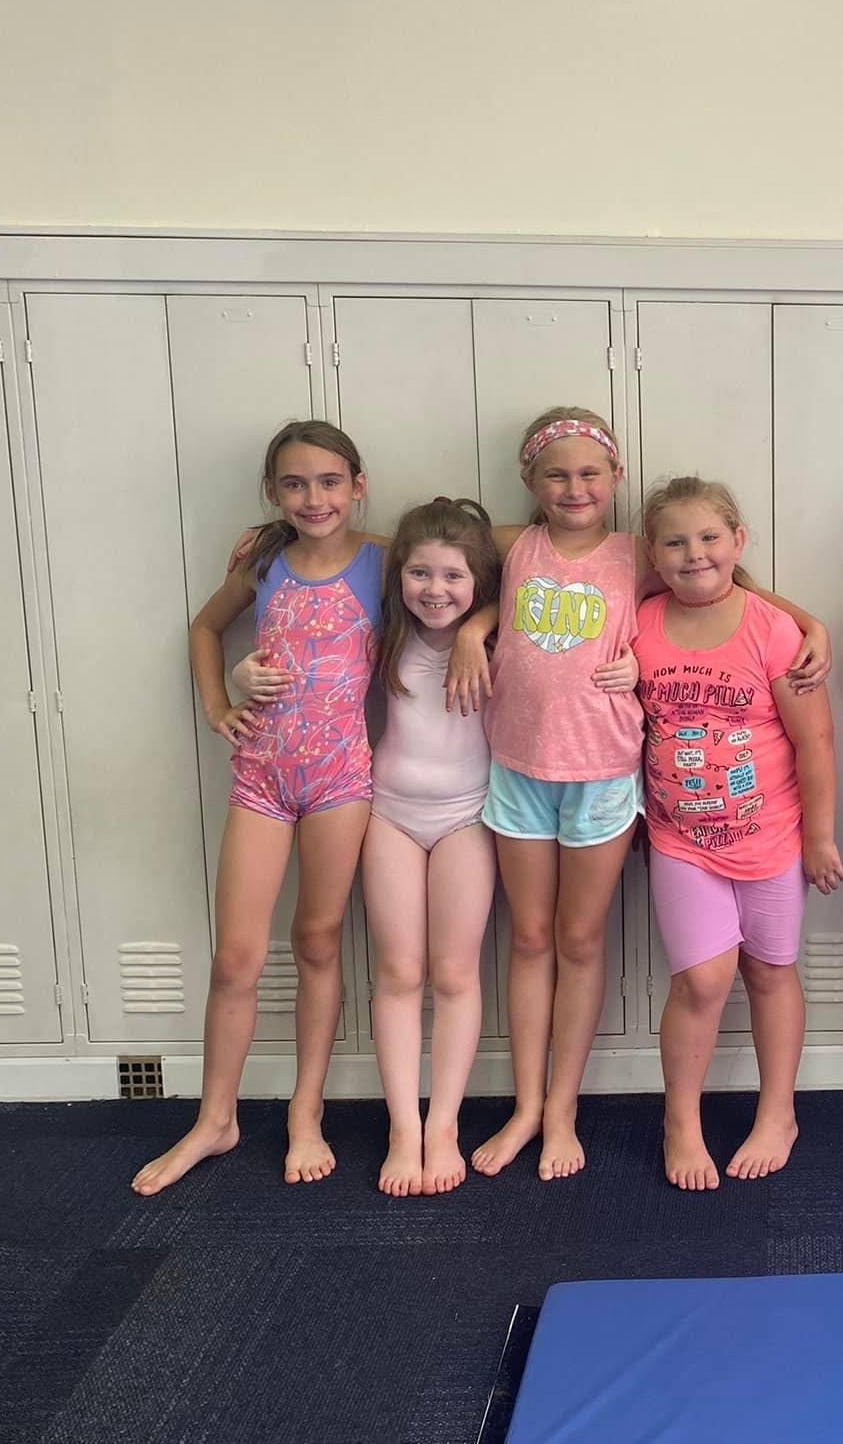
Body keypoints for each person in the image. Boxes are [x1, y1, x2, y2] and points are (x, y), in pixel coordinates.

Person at [451, 408, 830, 1182]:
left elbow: (723, 581)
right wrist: (471, 627)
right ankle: (530, 1110)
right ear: (530, 481)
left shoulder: (635, 557)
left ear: (615, 478)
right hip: (524, 772)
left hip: (612, 782)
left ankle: (566, 1112)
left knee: (589, 942)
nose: (575, 487)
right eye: (557, 474)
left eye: (590, 472)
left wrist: (810, 621)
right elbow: (417, 548)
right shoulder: (512, 544)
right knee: (532, 940)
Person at [133, 421, 383, 1195]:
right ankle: (216, 1119)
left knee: (316, 941)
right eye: (295, 484)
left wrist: (473, 634)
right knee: (236, 958)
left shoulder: (384, 559)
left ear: (358, 485)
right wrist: (221, 699)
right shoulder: (263, 561)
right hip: (262, 777)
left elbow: (483, 555)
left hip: (340, 780)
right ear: (273, 492)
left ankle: (306, 1111)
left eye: (330, 481)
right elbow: (204, 628)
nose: (314, 498)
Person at [635, 477, 843, 1190]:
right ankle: (681, 1122)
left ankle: (778, 1113)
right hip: (679, 840)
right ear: (652, 554)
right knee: (701, 979)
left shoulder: (772, 629)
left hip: (773, 838)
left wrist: (820, 837)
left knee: (770, 971)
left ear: (738, 542)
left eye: (709, 538)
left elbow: (816, 741)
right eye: (674, 542)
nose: (694, 554)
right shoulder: (640, 622)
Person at [363, 499, 501, 1195]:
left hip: (466, 818)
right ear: (399, 575)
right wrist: (270, 535)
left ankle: (442, 1125)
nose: (435, 589)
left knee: (453, 973)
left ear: (480, 581)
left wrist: (480, 626)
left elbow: (550, 562)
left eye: (453, 575)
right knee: (398, 971)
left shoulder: (500, 638)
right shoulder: (385, 632)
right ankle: (402, 1127)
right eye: (420, 572)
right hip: (388, 815)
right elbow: (338, 547)